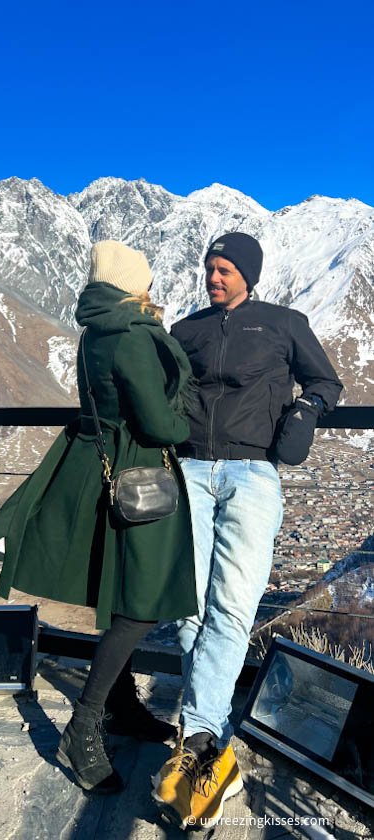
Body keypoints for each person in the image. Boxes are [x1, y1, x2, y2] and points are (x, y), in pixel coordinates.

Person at [0, 240, 198, 794]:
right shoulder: (133, 337)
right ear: (131, 282)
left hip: (104, 470)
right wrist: (189, 419)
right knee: (142, 603)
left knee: (123, 595)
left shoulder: (97, 330)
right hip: (142, 475)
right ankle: (85, 725)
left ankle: (121, 705)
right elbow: (160, 425)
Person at [152, 231, 343, 830]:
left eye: (227, 268)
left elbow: (325, 382)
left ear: (249, 274)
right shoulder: (187, 330)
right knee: (187, 608)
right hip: (187, 470)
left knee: (231, 608)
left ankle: (200, 739)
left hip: (252, 475)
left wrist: (306, 413)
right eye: (210, 267)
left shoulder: (283, 323)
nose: (216, 276)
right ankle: (211, 742)